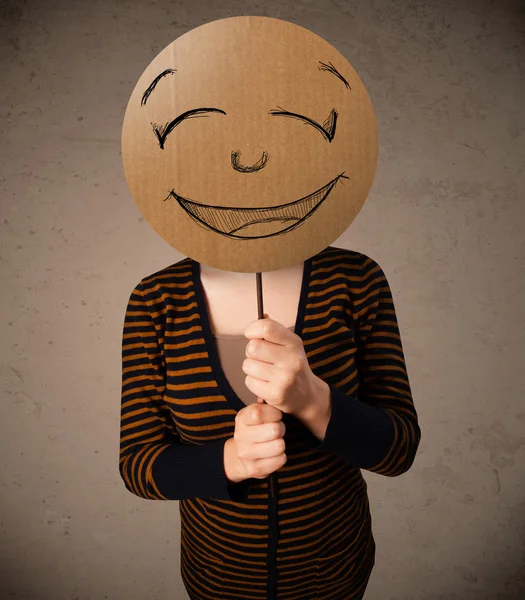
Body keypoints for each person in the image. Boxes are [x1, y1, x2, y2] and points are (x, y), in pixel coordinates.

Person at [119, 244, 421, 599]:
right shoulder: (156, 298)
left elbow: (400, 449)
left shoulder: (354, 278)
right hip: (216, 578)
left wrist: (314, 403)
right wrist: (232, 461)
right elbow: (136, 465)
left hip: (336, 572)